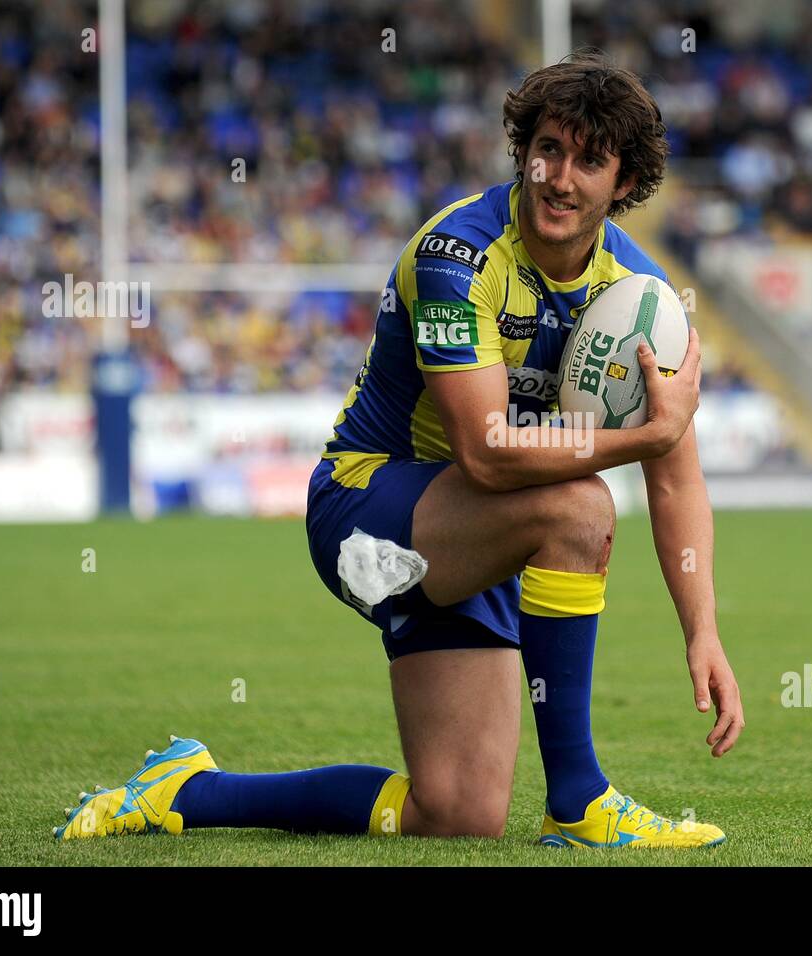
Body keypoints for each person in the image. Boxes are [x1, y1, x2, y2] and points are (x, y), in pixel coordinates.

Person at [56, 51, 743, 849]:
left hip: (473, 531)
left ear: (624, 184)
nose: (559, 177)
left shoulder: (643, 296)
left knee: (456, 815)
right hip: (366, 505)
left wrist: (703, 630)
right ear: (522, 150)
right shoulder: (457, 256)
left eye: (589, 161)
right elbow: (487, 455)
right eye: (547, 150)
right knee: (580, 509)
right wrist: (644, 435)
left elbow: (676, 480)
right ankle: (581, 804)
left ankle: (184, 791)